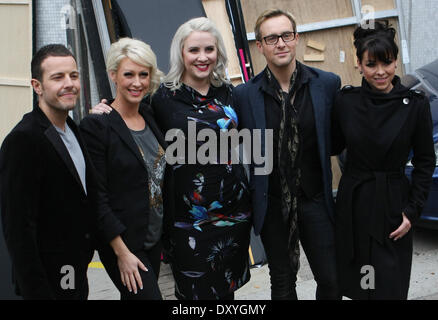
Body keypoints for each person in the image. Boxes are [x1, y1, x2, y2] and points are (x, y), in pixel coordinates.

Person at [232, 9, 341, 300]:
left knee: (332, 279)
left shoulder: (327, 84)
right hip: (273, 204)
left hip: (316, 199)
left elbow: (344, 134)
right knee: (282, 283)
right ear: (260, 45)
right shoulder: (243, 96)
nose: (280, 43)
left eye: (286, 35)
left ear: (296, 39)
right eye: (271, 38)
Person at [332, 21, 435, 300]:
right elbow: (332, 144)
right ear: (359, 64)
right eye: (371, 64)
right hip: (355, 204)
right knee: (361, 286)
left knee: (390, 287)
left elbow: (426, 160)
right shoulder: (345, 102)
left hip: (393, 204)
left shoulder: (415, 104)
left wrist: (412, 211)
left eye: (387, 63)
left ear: (396, 61)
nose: (380, 72)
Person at [152, 17, 252, 300]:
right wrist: (106, 108)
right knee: (194, 295)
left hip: (234, 213)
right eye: (194, 50)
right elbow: (130, 118)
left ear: (218, 52)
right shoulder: (162, 97)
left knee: (225, 293)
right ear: (181, 53)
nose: (202, 57)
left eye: (209, 49)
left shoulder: (229, 92)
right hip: (189, 221)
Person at [0, 44, 97, 299]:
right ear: (37, 86)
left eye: (73, 75)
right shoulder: (23, 140)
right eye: (57, 77)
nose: (69, 83)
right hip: (47, 282)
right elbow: (18, 230)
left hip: (74, 271)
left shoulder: (72, 128)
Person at [80, 38, 170, 300]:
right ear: (113, 75)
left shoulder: (149, 114)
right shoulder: (97, 126)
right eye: (128, 74)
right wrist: (121, 253)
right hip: (123, 242)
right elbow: (97, 197)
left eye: (144, 74)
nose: (137, 82)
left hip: (152, 234)